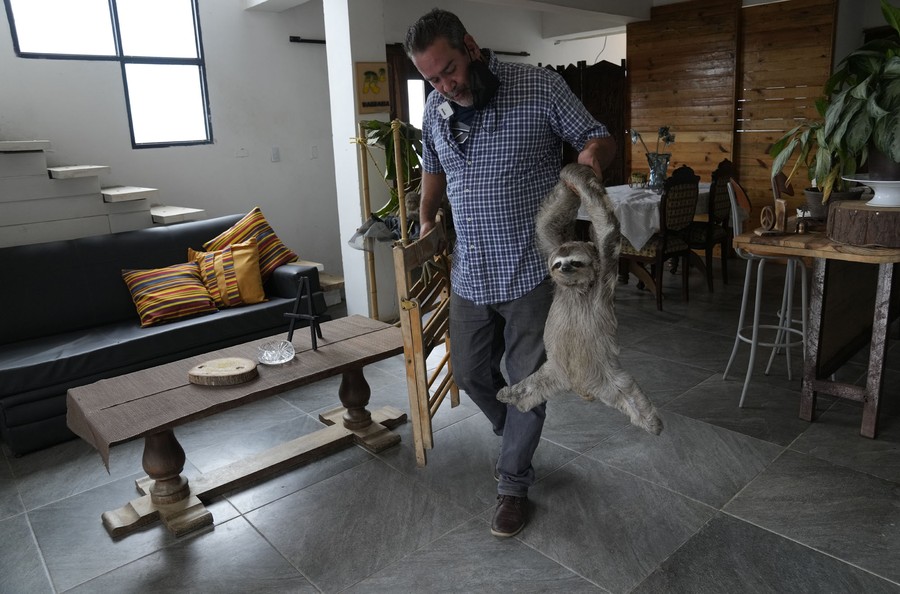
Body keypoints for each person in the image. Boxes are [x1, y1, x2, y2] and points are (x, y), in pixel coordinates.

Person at [404, 8, 616, 538]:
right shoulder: (434, 109)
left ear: (470, 46)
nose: (445, 85)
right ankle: (516, 430)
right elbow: (433, 170)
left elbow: (598, 136)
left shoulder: (538, 87)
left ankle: (512, 484)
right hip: (471, 272)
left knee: (527, 383)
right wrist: (427, 218)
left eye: (448, 69)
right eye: (431, 77)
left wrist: (587, 164)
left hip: (530, 273)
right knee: (473, 373)